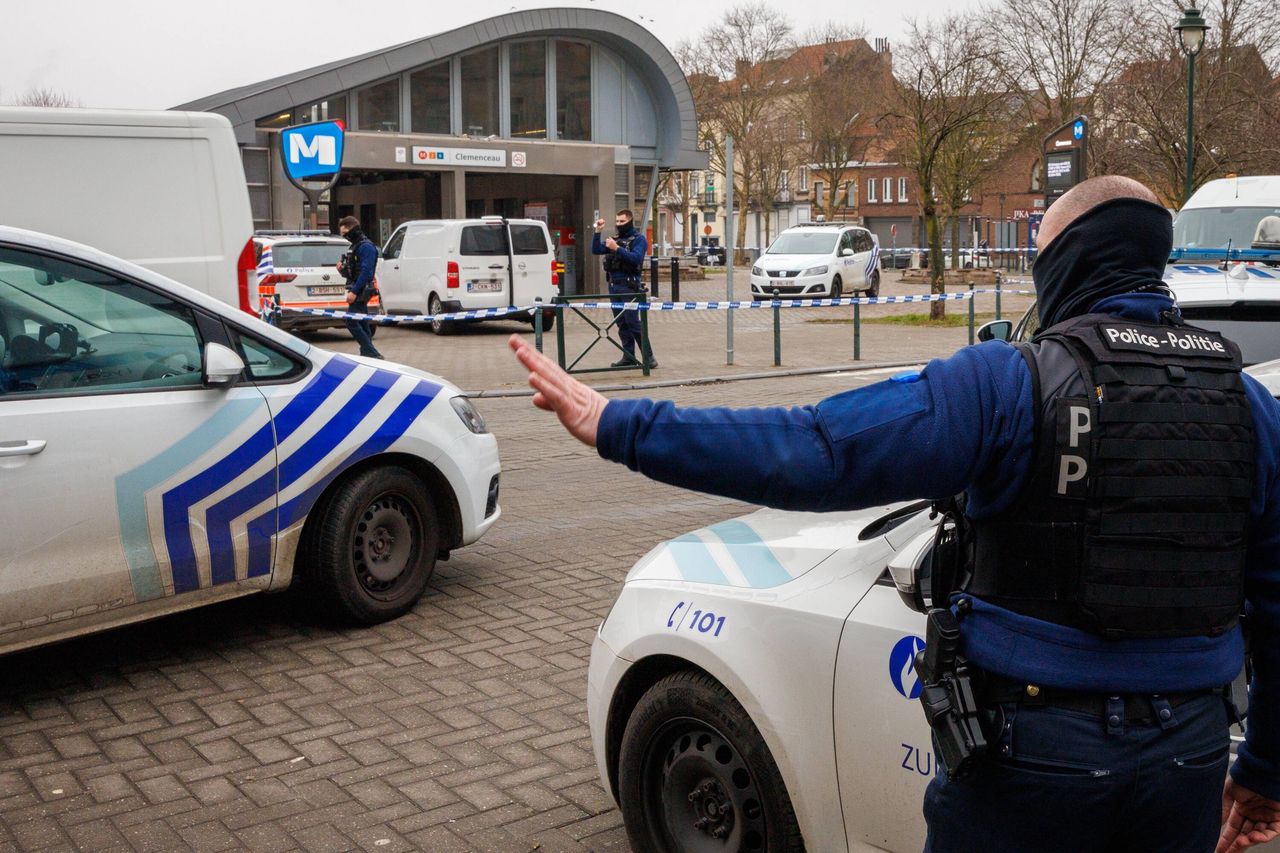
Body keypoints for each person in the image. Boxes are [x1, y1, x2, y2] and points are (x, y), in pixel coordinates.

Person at [512, 176, 1280, 853]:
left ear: (1068, 261)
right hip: (1189, 756)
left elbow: (818, 448)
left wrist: (621, 426)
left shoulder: (1009, 384)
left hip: (1032, 761)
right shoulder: (1248, 406)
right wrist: (1265, 770)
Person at [593, 209, 657, 369]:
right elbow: (595, 250)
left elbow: (636, 258)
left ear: (629, 221)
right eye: (617, 221)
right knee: (621, 323)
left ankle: (649, 358)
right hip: (614, 286)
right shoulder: (616, 239)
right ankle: (628, 356)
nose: (618, 224)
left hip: (629, 285)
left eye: (622, 221)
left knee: (633, 322)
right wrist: (597, 232)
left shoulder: (638, 239)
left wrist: (617, 249)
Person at [337, 215, 383, 360]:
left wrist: (354, 292)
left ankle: (371, 352)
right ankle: (367, 352)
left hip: (362, 288)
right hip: (358, 286)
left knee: (351, 320)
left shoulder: (366, 247)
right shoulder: (356, 246)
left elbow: (366, 271)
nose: (345, 237)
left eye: (345, 234)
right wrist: (342, 269)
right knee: (362, 320)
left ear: (353, 230)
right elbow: (353, 271)